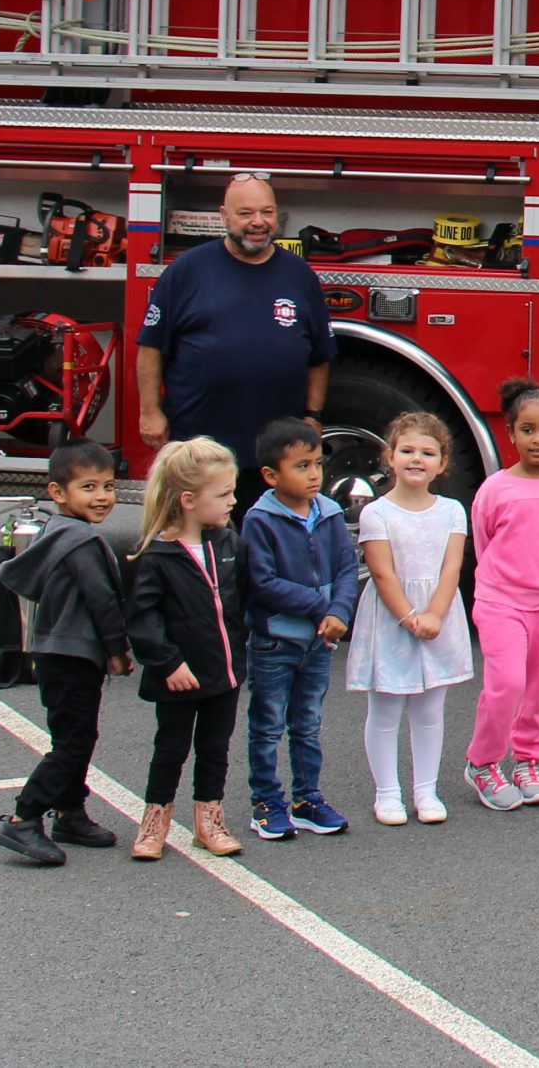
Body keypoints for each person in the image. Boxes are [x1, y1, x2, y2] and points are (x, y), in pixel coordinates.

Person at [0, 439, 133, 866]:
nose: (102, 498)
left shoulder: (58, 532)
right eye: (88, 488)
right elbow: (102, 600)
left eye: (108, 487)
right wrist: (118, 649)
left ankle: (70, 812)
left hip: (54, 653)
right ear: (58, 493)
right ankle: (24, 816)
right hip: (74, 656)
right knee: (73, 742)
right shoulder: (83, 542)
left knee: (74, 736)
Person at [135, 172, 334, 469]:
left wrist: (313, 416)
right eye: (246, 213)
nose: (258, 221)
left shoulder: (300, 274)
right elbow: (150, 347)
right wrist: (149, 411)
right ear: (224, 216)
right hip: (198, 447)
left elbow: (320, 355)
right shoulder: (186, 270)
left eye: (267, 212)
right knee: (198, 516)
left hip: (276, 451)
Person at [462, 380, 539, 814]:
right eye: (528, 429)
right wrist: (500, 591)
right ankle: (482, 762)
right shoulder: (495, 488)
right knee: (507, 685)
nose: (538, 439)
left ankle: (528, 761)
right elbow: (483, 544)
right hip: (501, 603)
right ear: (511, 432)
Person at [125, 437, 249, 861]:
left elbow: (244, 598)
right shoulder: (156, 554)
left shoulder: (229, 544)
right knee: (170, 749)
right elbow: (143, 618)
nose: (233, 500)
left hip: (224, 674)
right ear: (189, 500)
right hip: (178, 677)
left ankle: (208, 821)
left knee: (215, 749)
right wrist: (168, 662)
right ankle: (154, 821)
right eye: (224, 494)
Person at [348, 413, 474, 827]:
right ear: (390, 457)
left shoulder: (453, 510)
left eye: (427, 452)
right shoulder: (377, 513)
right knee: (385, 707)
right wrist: (408, 617)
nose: (416, 459)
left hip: (436, 613)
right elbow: (382, 571)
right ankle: (387, 793)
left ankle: (426, 791)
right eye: (407, 450)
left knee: (429, 708)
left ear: (442, 463)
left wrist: (435, 615)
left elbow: (451, 568)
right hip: (391, 615)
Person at [238, 417, 357, 842]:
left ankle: (308, 800)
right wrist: (321, 607)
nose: (313, 475)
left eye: (317, 465)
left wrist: (340, 611)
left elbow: (347, 567)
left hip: (319, 640)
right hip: (275, 641)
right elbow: (263, 582)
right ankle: (266, 802)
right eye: (301, 466)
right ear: (271, 475)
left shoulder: (328, 512)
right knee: (268, 724)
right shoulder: (260, 519)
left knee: (307, 723)